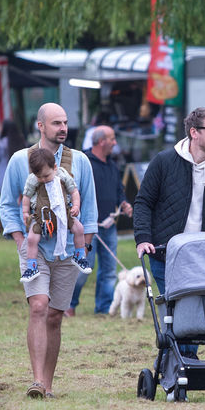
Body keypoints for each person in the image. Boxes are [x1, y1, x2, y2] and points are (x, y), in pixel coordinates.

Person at [0, 103, 98, 399]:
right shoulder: (21, 160)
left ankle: (49, 385)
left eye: (65, 122)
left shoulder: (79, 161)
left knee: (55, 315)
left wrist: (86, 245)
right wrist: (20, 239)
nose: (63, 128)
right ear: (40, 126)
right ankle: (37, 382)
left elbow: (90, 206)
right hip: (35, 249)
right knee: (39, 306)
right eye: (56, 123)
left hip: (70, 249)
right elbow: (8, 204)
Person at [134, 107, 205, 294]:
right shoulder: (163, 162)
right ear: (194, 132)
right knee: (172, 312)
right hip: (165, 253)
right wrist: (142, 238)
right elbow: (144, 202)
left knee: (201, 313)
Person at [70, 125, 133, 316]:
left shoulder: (112, 165)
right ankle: (69, 305)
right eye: (112, 139)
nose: (115, 143)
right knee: (83, 268)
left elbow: (119, 190)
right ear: (101, 141)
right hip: (88, 227)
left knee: (109, 271)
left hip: (108, 225)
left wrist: (123, 203)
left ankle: (104, 308)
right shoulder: (84, 162)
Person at [20, 147, 90, 282]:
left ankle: (79, 256)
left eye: (46, 176)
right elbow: (26, 196)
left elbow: (74, 191)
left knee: (79, 229)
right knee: (31, 239)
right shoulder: (33, 179)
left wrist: (76, 206)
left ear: (55, 167)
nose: (43, 179)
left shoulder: (63, 175)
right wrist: (25, 212)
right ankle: (31, 266)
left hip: (64, 214)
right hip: (42, 216)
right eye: (39, 176)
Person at [0, 119, 23, 210]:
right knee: (19, 204)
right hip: (17, 176)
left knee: (4, 206)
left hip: (1, 177)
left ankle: (4, 223)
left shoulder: (0, 143)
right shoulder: (21, 141)